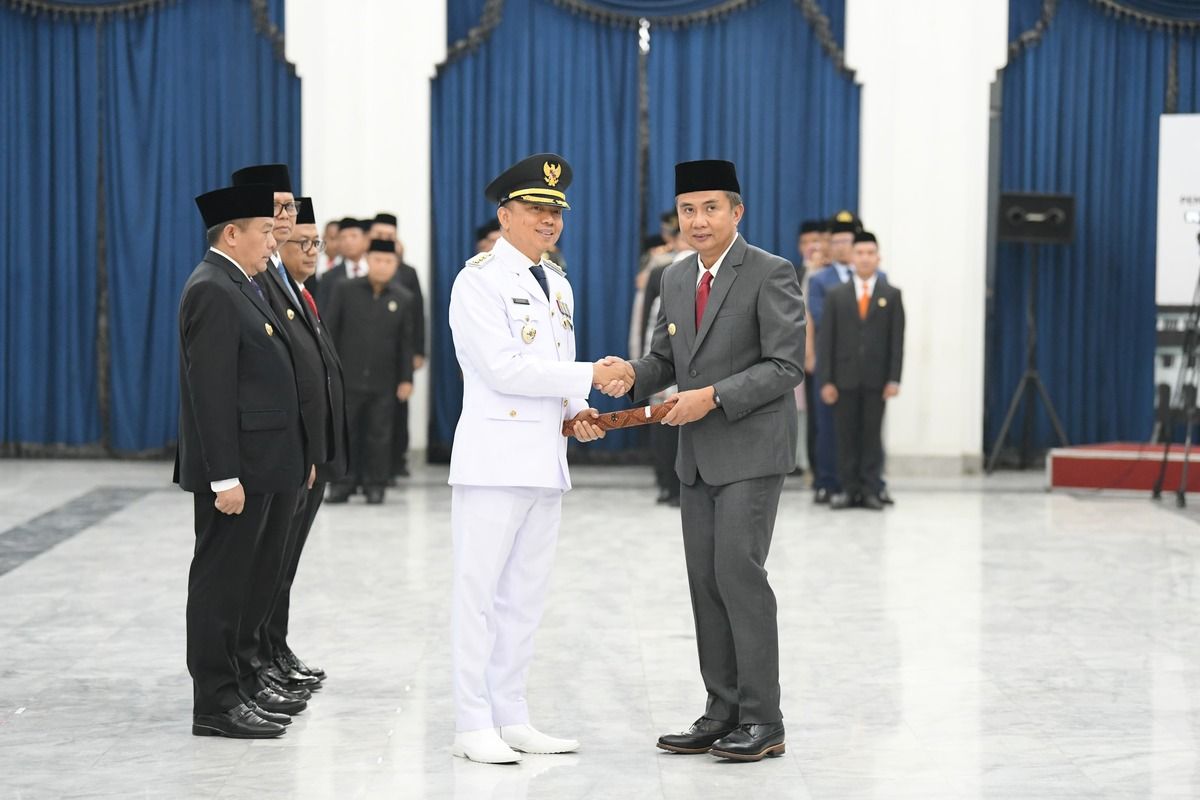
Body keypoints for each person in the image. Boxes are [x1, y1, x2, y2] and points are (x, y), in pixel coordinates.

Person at [605, 159, 805, 762]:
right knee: (705, 583)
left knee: (739, 577)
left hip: (750, 448)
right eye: (688, 210)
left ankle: (763, 719)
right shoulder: (672, 277)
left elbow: (784, 366)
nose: (697, 220)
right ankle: (721, 711)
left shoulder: (771, 272)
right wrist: (629, 375)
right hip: (696, 458)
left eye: (710, 208)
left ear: (736, 212)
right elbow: (664, 361)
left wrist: (714, 396)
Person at [446, 152, 628, 765]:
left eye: (556, 210)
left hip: (545, 460)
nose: (548, 220)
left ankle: (510, 714)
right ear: (505, 214)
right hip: (495, 459)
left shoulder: (558, 282)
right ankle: (472, 721)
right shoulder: (479, 279)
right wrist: (590, 375)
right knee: (478, 594)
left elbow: (552, 362)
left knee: (523, 597)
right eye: (535, 208)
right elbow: (503, 368)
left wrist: (577, 406)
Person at [176, 183, 308, 739]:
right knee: (220, 585)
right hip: (235, 472)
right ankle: (215, 701)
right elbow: (210, 391)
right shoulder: (213, 287)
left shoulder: (240, 282)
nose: (271, 241)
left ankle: (238, 684)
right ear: (232, 233)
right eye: (263, 231)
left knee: (244, 582)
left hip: (259, 465)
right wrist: (224, 476)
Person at [229, 164, 319, 708]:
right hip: (260, 454)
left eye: (291, 210)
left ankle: (268, 654)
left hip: (295, 451)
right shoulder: (246, 280)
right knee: (251, 570)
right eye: (279, 211)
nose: (286, 221)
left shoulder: (284, 280)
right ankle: (247, 670)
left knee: (277, 566)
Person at [259, 194, 348, 685]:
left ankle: (276, 647)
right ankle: (263, 655)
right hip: (289, 453)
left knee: (285, 565)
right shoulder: (272, 291)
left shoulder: (301, 294)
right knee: (270, 565)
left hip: (312, 454)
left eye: (317, 243)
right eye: (301, 242)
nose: (311, 251)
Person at [818, 231, 904, 510]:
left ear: (878, 258)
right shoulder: (836, 295)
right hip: (843, 379)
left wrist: (894, 378)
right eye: (860, 253)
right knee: (845, 436)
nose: (865, 258)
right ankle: (847, 488)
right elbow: (826, 340)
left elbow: (896, 341)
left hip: (876, 380)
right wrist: (826, 379)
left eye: (871, 253)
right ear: (852, 257)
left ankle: (869, 488)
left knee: (871, 436)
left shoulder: (890, 295)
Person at [323, 238, 414, 504]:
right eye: (377, 260)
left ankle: (376, 485)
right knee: (345, 433)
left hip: (384, 381)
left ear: (396, 265)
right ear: (367, 261)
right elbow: (330, 330)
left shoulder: (403, 298)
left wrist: (406, 378)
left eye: (389, 262)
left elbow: (405, 343)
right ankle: (343, 484)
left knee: (380, 435)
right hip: (347, 378)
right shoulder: (345, 289)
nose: (383, 266)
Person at [369, 212, 426, 479]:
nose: (384, 239)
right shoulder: (364, 269)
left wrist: (418, 351)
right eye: (379, 236)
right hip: (368, 356)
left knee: (398, 409)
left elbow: (417, 314)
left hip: (398, 354)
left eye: (389, 236)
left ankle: (397, 460)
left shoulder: (407, 272)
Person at [806, 211, 859, 503]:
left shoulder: (870, 278)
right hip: (829, 358)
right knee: (825, 423)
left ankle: (858, 480)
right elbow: (818, 316)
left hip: (861, 362)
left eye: (846, 241)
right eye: (836, 241)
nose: (841, 246)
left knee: (858, 423)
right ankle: (826, 480)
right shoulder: (820, 279)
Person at [316, 217, 368, 309]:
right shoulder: (328, 277)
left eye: (353, 236)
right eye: (343, 237)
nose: (348, 241)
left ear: (365, 240)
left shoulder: (376, 272)